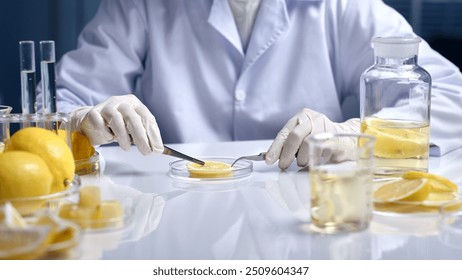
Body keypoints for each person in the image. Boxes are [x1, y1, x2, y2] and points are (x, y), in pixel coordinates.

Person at [39, 0, 462, 169]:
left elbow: (451, 97)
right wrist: (82, 122)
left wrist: (353, 135)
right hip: (171, 219)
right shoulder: (141, 5)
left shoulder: (342, 6)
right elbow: (52, 114)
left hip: (305, 227)